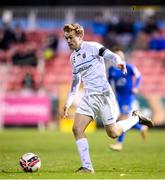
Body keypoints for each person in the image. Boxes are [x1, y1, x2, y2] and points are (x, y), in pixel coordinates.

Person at [63, 23, 152, 174]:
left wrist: (119, 62)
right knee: (77, 129)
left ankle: (136, 118)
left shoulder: (93, 47)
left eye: (71, 37)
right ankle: (87, 167)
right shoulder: (73, 58)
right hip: (88, 97)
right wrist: (68, 102)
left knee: (113, 133)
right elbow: (76, 82)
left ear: (80, 35)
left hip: (103, 95)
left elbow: (111, 55)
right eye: (66, 38)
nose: (69, 41)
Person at [108, 47, 148, 151]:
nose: (118, 57)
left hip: (128, 96)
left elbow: (139, 76)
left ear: (123, 56)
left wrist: (136, 87)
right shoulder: (111, 70)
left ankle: (119, 144)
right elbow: (109, 82)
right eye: (116, 55)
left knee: (123, 119)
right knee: (121, 119)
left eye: (120, 55)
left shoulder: (129, 67)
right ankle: (141, 127)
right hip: (118, 96)